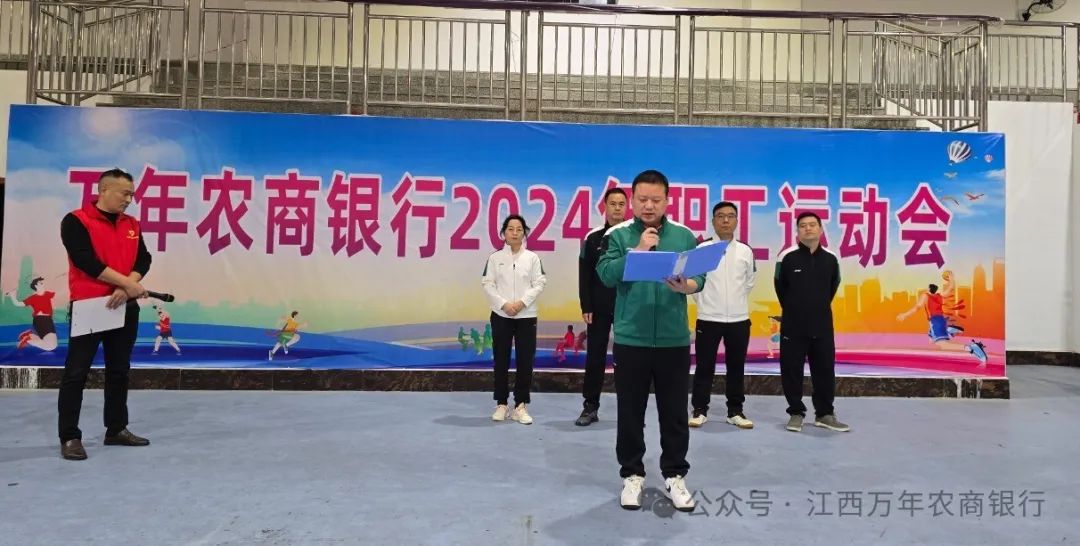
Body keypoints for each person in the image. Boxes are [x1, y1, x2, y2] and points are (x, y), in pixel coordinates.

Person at [596, 169, 704, 512]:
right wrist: (638, 251)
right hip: (632, 339)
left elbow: (699, 276)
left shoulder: (684, 235)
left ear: (667, 201)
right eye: (642, 199)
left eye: (656, 200)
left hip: (673, 340)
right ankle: (632, 475)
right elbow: (605, 275)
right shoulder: (617, 235)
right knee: (630, 411)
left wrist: (687, 286)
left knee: (675, 412)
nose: (648, 206)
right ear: (632, 200)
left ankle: (675, 475)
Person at [58, 168, 152, 461]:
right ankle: (70, 436)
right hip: (90, 306)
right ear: (104, 190)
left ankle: (116, 428)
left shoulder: (131, 224)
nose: (129, 200)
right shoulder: (76, 221)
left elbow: (143, 259)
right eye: (125, 194)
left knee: (119, 370)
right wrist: (128, 284)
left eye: (132, 195)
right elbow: (85, 260)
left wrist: (126, 287)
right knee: (76, 372)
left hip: (124, 305)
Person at [774, 212, 849, 433]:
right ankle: (796, 412)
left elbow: (833, 286)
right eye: (803, 225)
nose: (808, 228)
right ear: (797, 231)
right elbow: (780, 287)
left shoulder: (831, 259)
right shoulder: (786, 257)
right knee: (791, 370)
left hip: (822, 325)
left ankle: (824, 414)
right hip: (793, 325)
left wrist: (816, 307)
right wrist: (795, 309)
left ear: (821, 229)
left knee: (824, 370)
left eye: (812, 225)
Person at [689, 201, 757, 430]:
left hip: (739, 320)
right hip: (708, 318)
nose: (726, 220)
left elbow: (749, 282)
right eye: (720, 216)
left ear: (737, 220)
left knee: (736, 367)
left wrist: (735, 304)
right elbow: (694, 283)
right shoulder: (702, 249)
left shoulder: (745, 251)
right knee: (704, 367)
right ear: (713, 221)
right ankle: (699, 410)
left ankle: (735, 411)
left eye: (730, 216)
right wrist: (707, 304)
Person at [481, 214, 547, 425]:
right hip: (501, 315)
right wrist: (504, 304)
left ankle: (520, 405)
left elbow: (540, 283)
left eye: (519, 229)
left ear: (524, 233)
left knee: (525, 361)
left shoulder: (532, 258)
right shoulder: (495, 258)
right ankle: (501, 403)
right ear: (504, 233)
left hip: (526, 316)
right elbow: (487, 284)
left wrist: (521, 303)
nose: (515, 233)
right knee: (500, 359)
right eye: (511, 229)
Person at [575, 186, 628, 426]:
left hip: (628, 307)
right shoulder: (593, 237)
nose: (617, 208)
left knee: (628, 359)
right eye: (612, 204)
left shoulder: (635, 235)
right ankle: (590, 407)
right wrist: (586, 305)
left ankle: (629, 409)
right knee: (595, 357)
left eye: (621, 204)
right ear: (605, 207)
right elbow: (585, 273)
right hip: (599, 307)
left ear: (627, 208)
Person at [896, 283, 986, 365]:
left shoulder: (925, 295)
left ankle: (971, 348)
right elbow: (950, 289)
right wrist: (951, 279)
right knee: (931, 341)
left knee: (943, 345)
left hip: (935, 322)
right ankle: (948, 331)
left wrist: (905, 315)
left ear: (929, 289)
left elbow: (917, 307)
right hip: (940, 320)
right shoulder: (939, 296)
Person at [6, 276, 59, 351]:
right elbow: (18, 303)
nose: (43, 284)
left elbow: (54, 300)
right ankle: (28, 339)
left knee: (51, 344)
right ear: (36, 286)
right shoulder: (33, 298)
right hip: (41, 320)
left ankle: (29, 336)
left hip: (47, 320)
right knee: (51, 346)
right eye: (41, 283)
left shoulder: (48, 294)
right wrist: (12, 295)